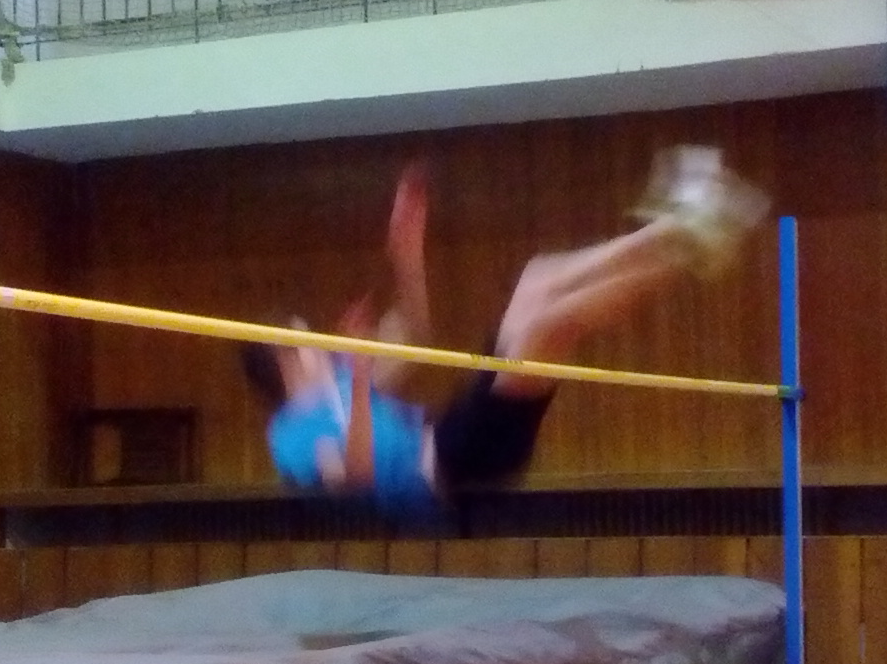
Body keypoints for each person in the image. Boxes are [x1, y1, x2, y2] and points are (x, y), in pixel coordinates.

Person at [241, 148, 768, 515]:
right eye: (307, 341)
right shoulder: (291, 435)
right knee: (547, 326)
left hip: (455, 432)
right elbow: (354, 476)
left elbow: (415, 334)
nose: (320, 344)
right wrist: (359, 381)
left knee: (538, 278)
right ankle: (685, 238)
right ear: (285, 359)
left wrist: (406, 252)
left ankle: (681, 230)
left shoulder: (341, 380)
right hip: (455, 471)